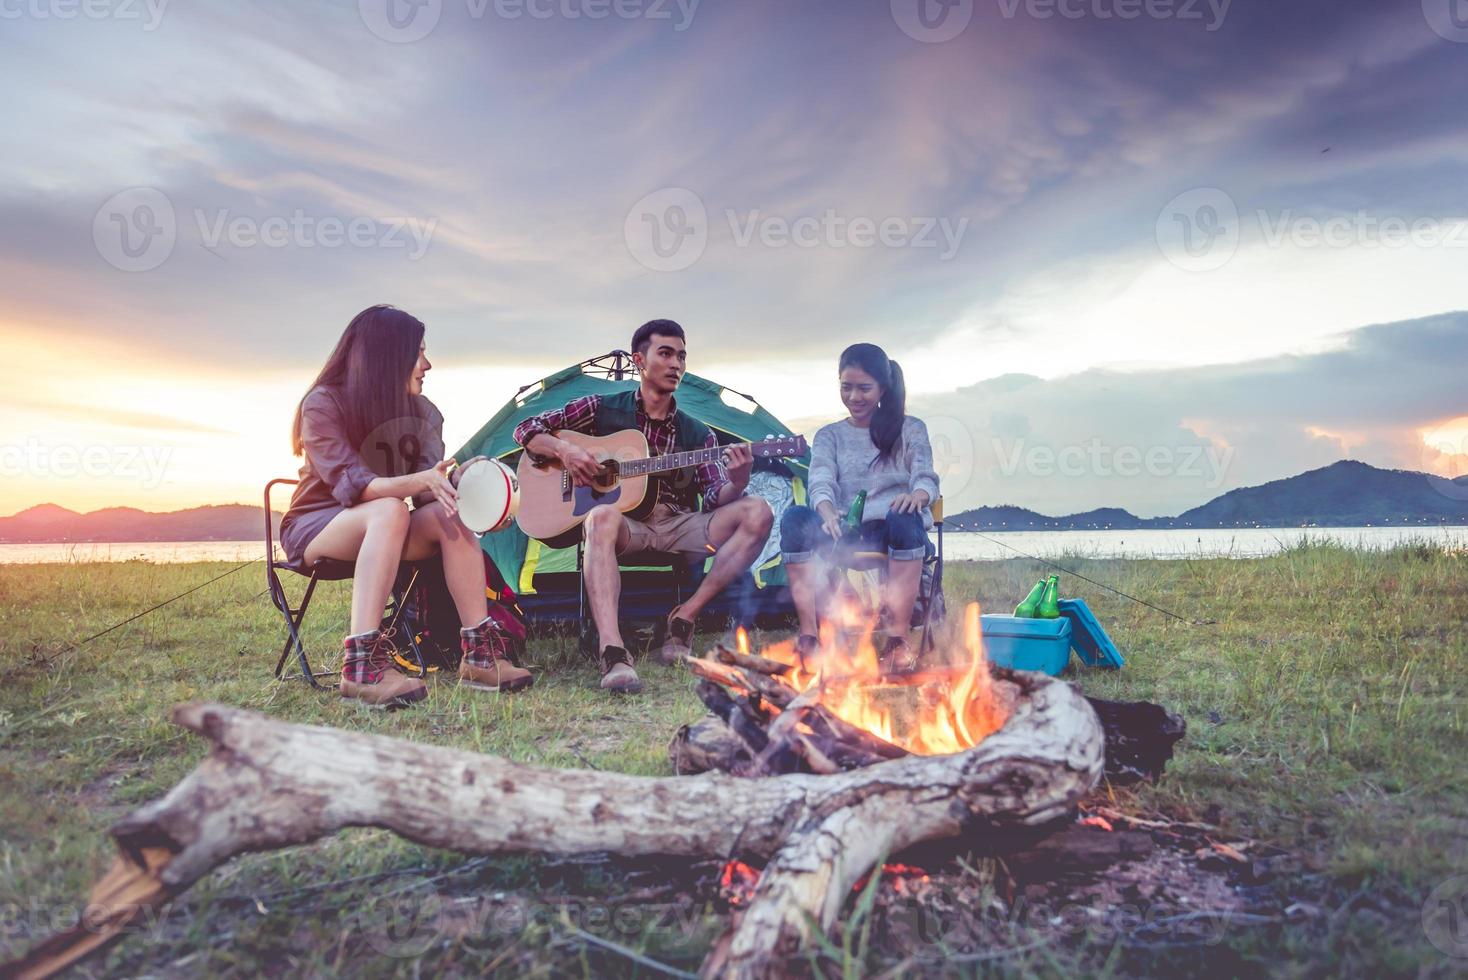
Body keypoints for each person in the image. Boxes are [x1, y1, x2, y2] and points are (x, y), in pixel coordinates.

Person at [279, 305, 533, 708]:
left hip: (387, 529)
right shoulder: (323, 404)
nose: (427, 364)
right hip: (318, 527)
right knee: (389, 509)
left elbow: (430, 493)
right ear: (386, 357)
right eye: (418, 353)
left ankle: (479, 655)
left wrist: (476, 499)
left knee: (448, 511)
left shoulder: (425, 413)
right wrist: (418, 482)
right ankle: (361, 668)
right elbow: (353, 486)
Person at [512, 319, 774, 693]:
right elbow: (525, 430)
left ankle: (684, 617)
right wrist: (566, 451)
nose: (676, 365)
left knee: (758, 510)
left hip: (679, 525)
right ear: (639, 360)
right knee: (601, 514)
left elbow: (716, 497)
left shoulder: (699, 433)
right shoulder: (599, 408)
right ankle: (613, 650)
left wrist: (739, 481)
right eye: (665, 354)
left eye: (681, 356)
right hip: (625, 528)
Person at [780, 343, 940, 673]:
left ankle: (897, 641)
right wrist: (825, 510)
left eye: (864, 388)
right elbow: (821, 479)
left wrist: (918, 496)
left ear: (883, 387)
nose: (854, 397)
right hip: (844, 529)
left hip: (895, 529)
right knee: (795, 518)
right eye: (846, 387)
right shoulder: (829, 435)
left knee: (904, 514)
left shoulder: (910, 429)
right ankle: (810, 637)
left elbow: (925, 476)